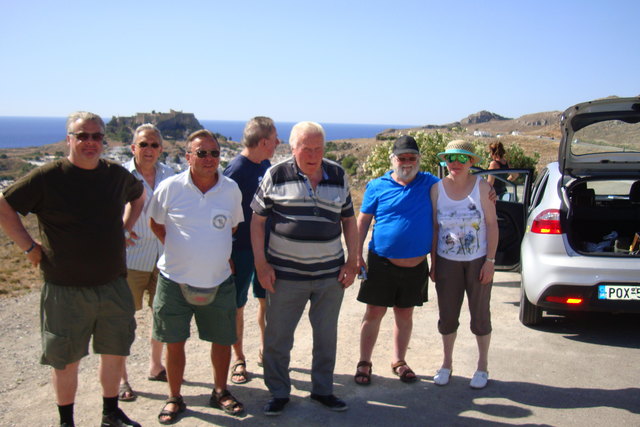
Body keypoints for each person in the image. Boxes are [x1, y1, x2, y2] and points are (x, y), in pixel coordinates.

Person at [0, 111, 145, 427]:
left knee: (115, 352)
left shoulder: (115, 175)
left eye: (96, 136)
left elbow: (139, 196)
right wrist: (28, 248)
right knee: (65, 362)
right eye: (82, 135)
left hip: (112, 283)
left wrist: (125, 227)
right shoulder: (49, 177)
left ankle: (110, 414)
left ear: (103, 141)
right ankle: (67, 422)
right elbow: (4, 205)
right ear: (69, 139)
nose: (90, 142)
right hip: (64, 287)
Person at [251, 121, 358, 416]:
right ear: (293, 148)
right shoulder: (276, 174)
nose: (313, 155)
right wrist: (261, 264)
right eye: (306, 149)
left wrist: (353, 261)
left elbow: (349, 220)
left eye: (318, 148)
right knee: (278, 338)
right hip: (285, 276)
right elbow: (257, 222)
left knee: (326, 337)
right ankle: (278, 392)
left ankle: (323, 390)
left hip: (329, 275)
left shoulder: (337, 174)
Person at [148, 129, 245, 424]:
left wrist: (209, 252)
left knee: (222, 341)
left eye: (214, 153)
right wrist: (183, 252)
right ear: (189, 156)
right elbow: (155, 223)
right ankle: (174, 397)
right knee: (174, 341)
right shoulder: (170, 187)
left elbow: (233, 227)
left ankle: (220, 391)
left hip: (218, 280)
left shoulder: (230, 189)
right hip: (174, 281)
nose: (209, 159)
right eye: (201, 153)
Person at [354, 135, 440, 386]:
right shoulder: (376, 186)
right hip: (381, 262)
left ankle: (399, 361)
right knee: (374, 313)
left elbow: (459, 187)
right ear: (393, 159)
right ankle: (364, 362)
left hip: (416, 266)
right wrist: (356, 255)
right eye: (402, 158)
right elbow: (362, 222)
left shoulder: (431, 184)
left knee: (405, 315)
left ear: (419, 160)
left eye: (412, 158)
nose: (407, 162)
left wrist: (487, 191)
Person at [429, 139, 498, 390]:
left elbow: (492, 224)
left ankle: (482, 366)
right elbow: (436, 228)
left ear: (471, 162)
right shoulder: (436, 189)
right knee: (447, 316)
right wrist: (434, 263)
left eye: (461, 158)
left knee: (480, 315)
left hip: (478, 260)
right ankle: (446, 364)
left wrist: (490, 261)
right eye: (450, 158)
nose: (455, 163)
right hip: (447, 262)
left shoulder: (482, 188)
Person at [118, 124, 175, 402]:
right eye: (143, 145)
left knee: (161, 316)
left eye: (154, 145)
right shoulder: (119, 176)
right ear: (133, 148)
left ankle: (156, 366)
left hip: (163, 258)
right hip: (131, 259)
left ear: (161, 149)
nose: (149, 150)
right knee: (121, 320)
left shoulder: (171, 175)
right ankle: (122, 379)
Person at [223, 116, 279, 385]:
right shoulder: (235, 170)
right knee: (237, 305)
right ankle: (238, 358)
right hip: (240, 250)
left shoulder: (265, 164)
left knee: (266, 301)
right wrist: (225, 255)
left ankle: (265, 350)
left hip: (266, 249)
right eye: (276, 138)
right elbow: (222, 217)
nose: (279, 143)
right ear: (264, 141)